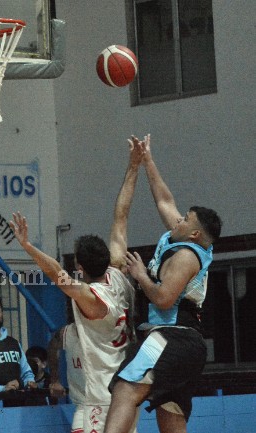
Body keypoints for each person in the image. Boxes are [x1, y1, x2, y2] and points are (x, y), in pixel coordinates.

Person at [9, 136, 144, 433]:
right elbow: (121, 216)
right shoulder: (119, 274)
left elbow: (57, 275)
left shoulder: (92, 299)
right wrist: (134, 166)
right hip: (119, 394)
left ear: (80, 268)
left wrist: (28, 246)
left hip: (105, 400)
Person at [105, 135, 223, 433]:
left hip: (171, 335)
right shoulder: (183, 238)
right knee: (170, 417)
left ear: (194, 234)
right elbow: (164, 199)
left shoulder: (185, 255)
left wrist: (141, 274)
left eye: (185, 219)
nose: (179, 219)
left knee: (125, 388)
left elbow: (164, 299)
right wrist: (147, 160)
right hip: (185, 342)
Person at [47, 323, 87, 432]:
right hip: (83, 405)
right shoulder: (67, 332)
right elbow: (52, 347)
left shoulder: (107, 331)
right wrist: (55, 380)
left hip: (111, 404)